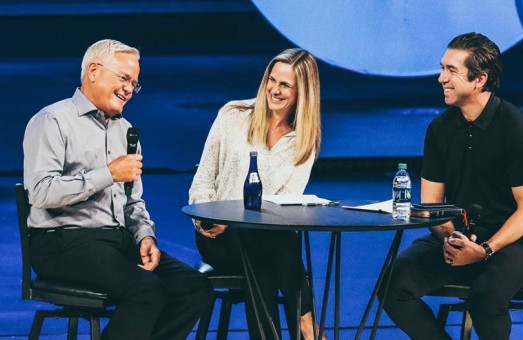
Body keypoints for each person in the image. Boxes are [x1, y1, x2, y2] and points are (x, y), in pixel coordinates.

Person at [23, 39, 214, 340]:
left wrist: (145, 236)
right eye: (124, 78)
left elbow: (132, 201)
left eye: (134, 84)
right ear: (94, 71)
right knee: (146, 292)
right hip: (62, 241)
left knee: (194, 287)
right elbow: (41, 192)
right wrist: (108, 174)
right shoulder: (53, 121)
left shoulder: (126, 130)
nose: (129, 89)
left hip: (116, 241)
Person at [381, 32, 523, 339]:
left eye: (451, 71)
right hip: (456, 236)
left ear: (479, 80)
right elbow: (431, 203)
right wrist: (453, 240)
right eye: (442, 68)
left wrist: (483, 250)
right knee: (393, 284)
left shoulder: (516, 129)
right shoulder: (439, 129)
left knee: (485, 296)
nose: (441, 78)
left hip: (511, 244)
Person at [189, 48, 323, 339]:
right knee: (280, 247)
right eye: (271, 80)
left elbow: (283, 208)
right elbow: (202, 181)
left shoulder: (304, 140)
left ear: (303, 92)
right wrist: (207, 218)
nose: (274, 89)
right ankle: (308, 325)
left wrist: (242, 218)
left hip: (263, 239)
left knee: (264, 268)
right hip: (219, 238)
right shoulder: (233, 116)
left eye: (285, 85)